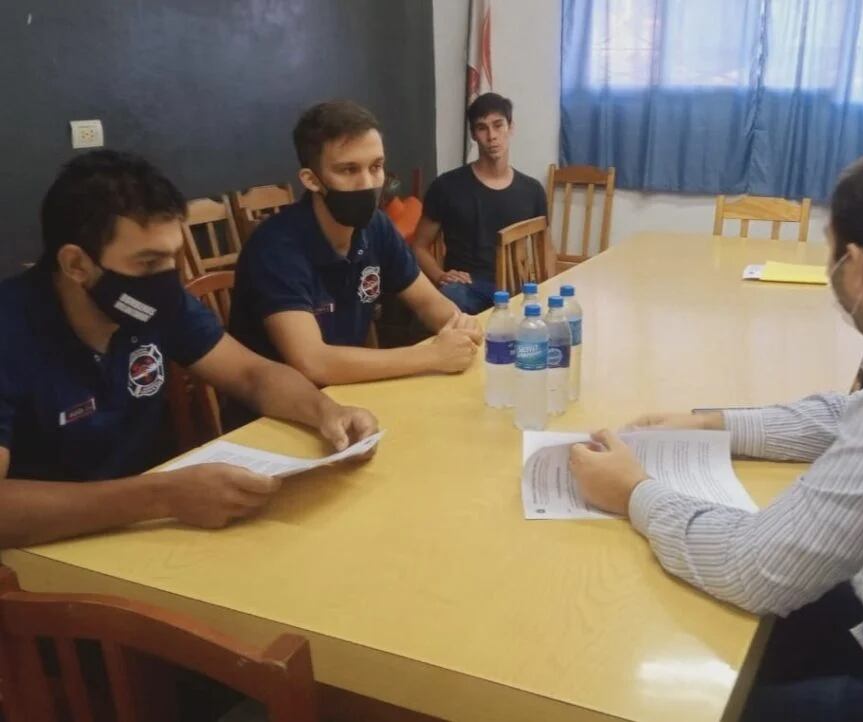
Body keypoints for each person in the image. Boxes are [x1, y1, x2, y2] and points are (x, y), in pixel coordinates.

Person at [569, 144, 863, 722]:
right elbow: (853, 416)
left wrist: (633, 492)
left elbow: (753, 568)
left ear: (857, 268)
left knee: (677, 700)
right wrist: (715, 423)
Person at [0, 150, 378, 549]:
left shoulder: (156, 305)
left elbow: (252, 374)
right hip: (40, 560)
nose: (165, 280)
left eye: (172, 258)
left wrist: (326, 412)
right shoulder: (12, 330)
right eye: (147, 263)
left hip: (140, 533)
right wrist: (161, 496)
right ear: (76, 264)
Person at [230, 100, 481, 386]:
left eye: (376, 167)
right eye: (348, 170)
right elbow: (313, 362)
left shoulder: (376, 226)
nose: (367, 183)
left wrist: (459, 326)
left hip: (348, 393)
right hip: (274, 414)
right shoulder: (275, 248)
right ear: (312, 180)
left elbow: (427, 302)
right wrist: (433, 356)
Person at [411, 93, 554, 314]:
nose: (492, 136)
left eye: (498, 126)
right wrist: (440, 276)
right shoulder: (446, 186)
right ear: (473, 135)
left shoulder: (532, 190)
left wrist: (547, 288)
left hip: (515, 289)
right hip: (466, 288)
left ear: (511, 127)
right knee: (446, 303)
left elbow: (545, 248)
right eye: (482, 128)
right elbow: (419, 246)